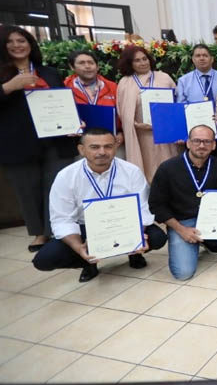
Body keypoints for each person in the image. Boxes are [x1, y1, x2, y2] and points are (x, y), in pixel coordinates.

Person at [32, 128, 166, 282]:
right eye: (94, 147)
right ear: (81, 150)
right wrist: (78, 248)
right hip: (86, 227)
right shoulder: (66, 177)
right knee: (44, 259)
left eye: (108, 146)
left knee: (157, 238)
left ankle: (134, 253)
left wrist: (137, 238)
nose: (102, 152)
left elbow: (143, 209)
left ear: (115, 147)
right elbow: (62, 219)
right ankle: (87, 262)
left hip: (125, 224)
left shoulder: (131, 171)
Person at [0, 26, 77, 252]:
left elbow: (63, 101)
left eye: (22, 40)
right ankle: (39, 233)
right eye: (11, 41)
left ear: (30, 44)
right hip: (18, 142)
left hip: (54, 139)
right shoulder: (3, 73)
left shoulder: (48, 72)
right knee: (27, 188)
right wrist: (9, 87)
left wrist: (73, 123)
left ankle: (56, 230)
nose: (17, 45)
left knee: (55, 186)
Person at [149, 125, 217, 280]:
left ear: (214, 145)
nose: (201, 145)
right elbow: (156, 205)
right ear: (188, 143)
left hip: (213, 219)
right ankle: (192, 241)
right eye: (197, 141)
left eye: (207, 141)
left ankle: (208, 240)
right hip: (183, 223)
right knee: (183, 273)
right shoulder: (168, 168)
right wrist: (180, 229)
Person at [116, 45, 180, 183]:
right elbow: (122, 111)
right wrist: (137, 125)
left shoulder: (164, 78)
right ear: (130, 63)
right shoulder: (125, 82)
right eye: (137, 60)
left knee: (169, 169)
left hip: (165, 134)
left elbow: (177, 104)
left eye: (145, 58)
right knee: (145, 171)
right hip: (141, 134)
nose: (143, 63)